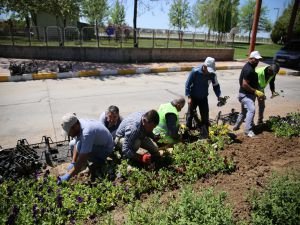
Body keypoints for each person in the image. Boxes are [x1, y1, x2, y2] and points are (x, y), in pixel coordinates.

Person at [59, 113, 114, 182]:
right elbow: (76, 142)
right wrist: (73, 162)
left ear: (74, 127)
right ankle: (80, 166)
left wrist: (68, 176)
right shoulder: (78, 124)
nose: (69, 135)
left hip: (106, 148)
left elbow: (82, 158)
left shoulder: (87, 133)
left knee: (81, 153)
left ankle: (99, 162)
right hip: (98, 143)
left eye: (69, 132)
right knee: (72, 144)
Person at [185, 57, 222, 137]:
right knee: (190, 115)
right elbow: (188, 84)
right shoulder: (195, 71)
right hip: (193, 97)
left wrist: (219, 96)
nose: (209, 72)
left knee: (205, 116)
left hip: (203, 98)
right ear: (204, 66)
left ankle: (205, 134)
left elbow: (216, 85)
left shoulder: (212, 74)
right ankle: (187, 133)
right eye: (208, 69)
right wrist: (189, 97)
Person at [232, 51, 264, 137]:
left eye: (258, 60)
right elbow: (244, 84)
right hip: (245, 95)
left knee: (244, 112)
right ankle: (248, 130)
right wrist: (255, 91)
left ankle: (236, 126)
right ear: (250, 59)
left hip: (247, 94)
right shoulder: (248, 69)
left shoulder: (250, 67)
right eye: (255, 59)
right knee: (252, 110)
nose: (257, 61)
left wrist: (257, 91)